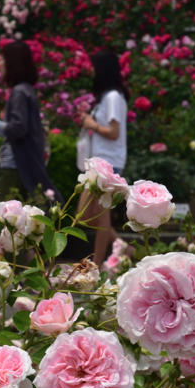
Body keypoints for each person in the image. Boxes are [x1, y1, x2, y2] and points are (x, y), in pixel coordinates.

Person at [0, 41, 62, 204]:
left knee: (4, 216)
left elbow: (19, 128)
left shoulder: (19, 92)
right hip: (20, 163)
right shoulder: (25, 90)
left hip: (15, 165)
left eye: (3, 59)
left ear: (13, 62)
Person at [76, 51, 129, 265]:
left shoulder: (113, 97)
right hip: (101, 162)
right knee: (88, 214)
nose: (90, 71)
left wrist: (92, 125)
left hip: (108, 163)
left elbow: (114, 132)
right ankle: (122, 248)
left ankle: (95, 265)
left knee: (94, 214)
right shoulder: (108, 98)